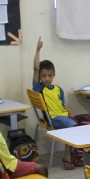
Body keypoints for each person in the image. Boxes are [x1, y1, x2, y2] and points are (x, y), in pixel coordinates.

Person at [32, 37, 77, 169]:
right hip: (53, 119)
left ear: (54, 75)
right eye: (44, 76)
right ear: (40, 77)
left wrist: (69, 110)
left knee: (78, 123)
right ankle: (67, 155)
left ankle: (76, 154)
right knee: (73, 127)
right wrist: (37, 50)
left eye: (50, 75)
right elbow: (35, 69)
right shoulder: (39, 88)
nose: (47, 78)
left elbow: (62, 104)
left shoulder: (58, 89)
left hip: (63, 116)